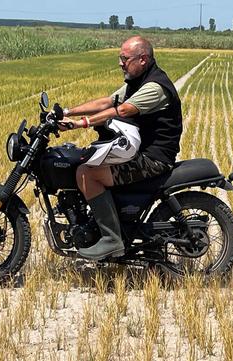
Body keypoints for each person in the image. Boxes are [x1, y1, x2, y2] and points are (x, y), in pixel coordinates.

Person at [60, 36, 183, 260]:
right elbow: (108, 102)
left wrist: (82, 124)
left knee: (87, 173)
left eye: (125, 58)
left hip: (153, 158)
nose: (120, 63)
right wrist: (66, 113)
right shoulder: (137, 82)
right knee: (85, 158)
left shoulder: (155, 86)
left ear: (143, 59)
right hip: (140, 151)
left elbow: (124, 110)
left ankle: (111, 240)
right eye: (120, 58)